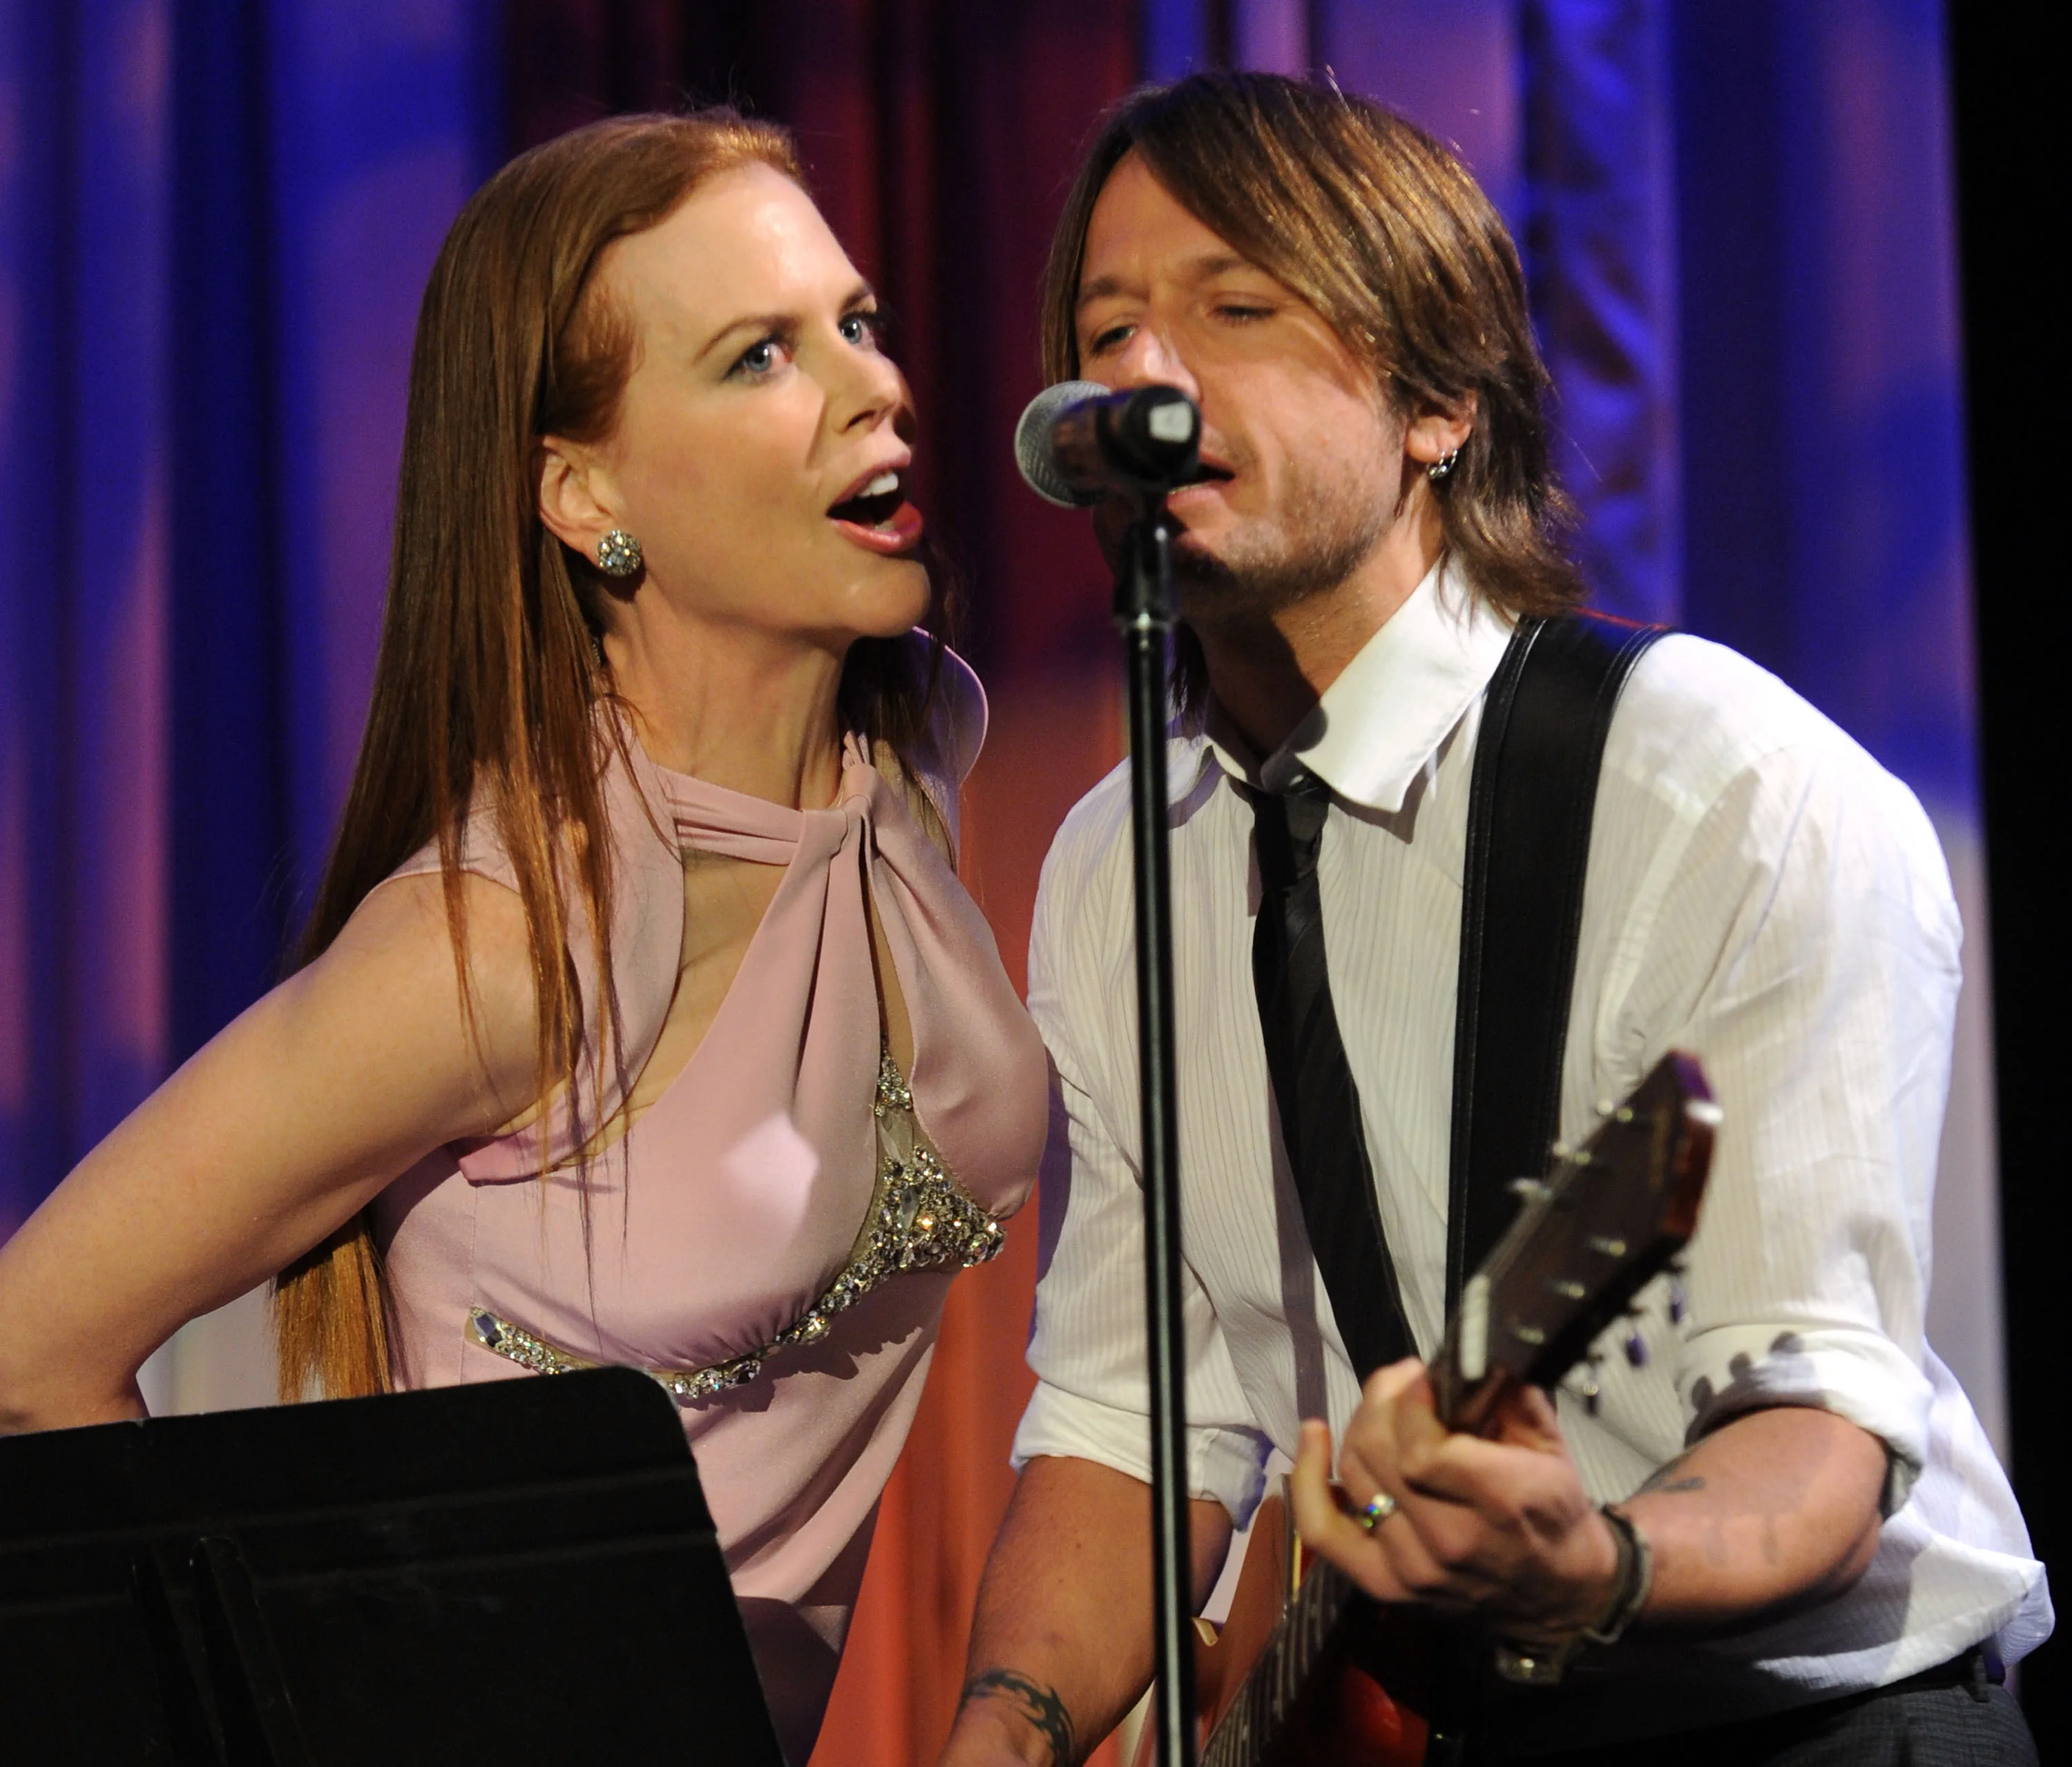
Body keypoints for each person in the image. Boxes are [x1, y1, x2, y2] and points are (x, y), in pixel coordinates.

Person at [942, 73, 2046, 1766]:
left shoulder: (1718, 791)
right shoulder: (1118, 869)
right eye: (1109, 331)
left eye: (1238, 307)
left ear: (1438, 402)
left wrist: (1588, 1566)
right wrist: (1004, 1729)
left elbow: (1816, 1422)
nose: (1147, 371)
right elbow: (1132, 1414)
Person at [0, 111, 1048, 1762]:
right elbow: (29, 1351)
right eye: (760, 356)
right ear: (584, 494)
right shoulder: (504, 940)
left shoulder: (919, 753)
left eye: (856, 323)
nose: (875, 388)